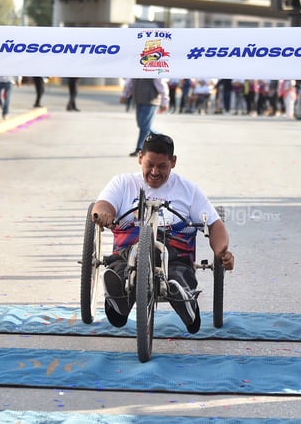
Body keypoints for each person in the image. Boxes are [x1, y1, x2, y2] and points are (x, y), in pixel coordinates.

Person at [91, 133, 235, 332]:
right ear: (140, 157)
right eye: (149, 164)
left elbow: (215, 224)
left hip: (174, 256)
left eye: (162, 166)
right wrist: (103, 214)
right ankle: (119, 301)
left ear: (173, 162)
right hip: (128, 255)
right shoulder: (122, 184)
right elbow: (101, 206)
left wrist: (221, 251)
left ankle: (184, 300)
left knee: (178, 274)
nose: (155, 172)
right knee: (119, 267)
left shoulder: (189, 190)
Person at [121, 77, 169, 156]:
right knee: (142, 125)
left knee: (144, 126)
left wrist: (164, 102)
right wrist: (124, 95)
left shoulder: (152, 71)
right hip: (139, 101)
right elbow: (129, 84)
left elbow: (162, 87)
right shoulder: (135, 71)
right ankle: (161, 138)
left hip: (151, 102)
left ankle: (140, 148)